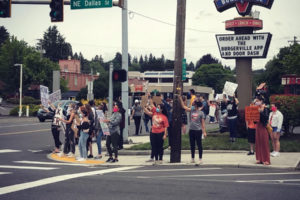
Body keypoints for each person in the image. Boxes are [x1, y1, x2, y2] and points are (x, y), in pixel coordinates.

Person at [179, 96, 207, 165]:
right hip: (191, 130)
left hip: (198, 130)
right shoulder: (191, 110)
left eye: (194, 104)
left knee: (199, 145)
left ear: (196, 105)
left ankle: (200, 159)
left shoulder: (201, 113)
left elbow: (203, 124)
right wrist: (180, 98)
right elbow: (183, 106)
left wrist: (204, 132)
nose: (193, 105)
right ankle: (192, 158)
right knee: (192, 145)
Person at [255, 96, 271, 165]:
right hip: (258, 126)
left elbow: (266, 118)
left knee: (264, 143)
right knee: (258, 143)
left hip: (263, 127)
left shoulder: (265, 108)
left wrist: (261, 112)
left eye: (257, 100)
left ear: (261, 101)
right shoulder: (256, 108)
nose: (256, 102)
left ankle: (266, 159)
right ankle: (259, 158)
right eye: (256, 100)